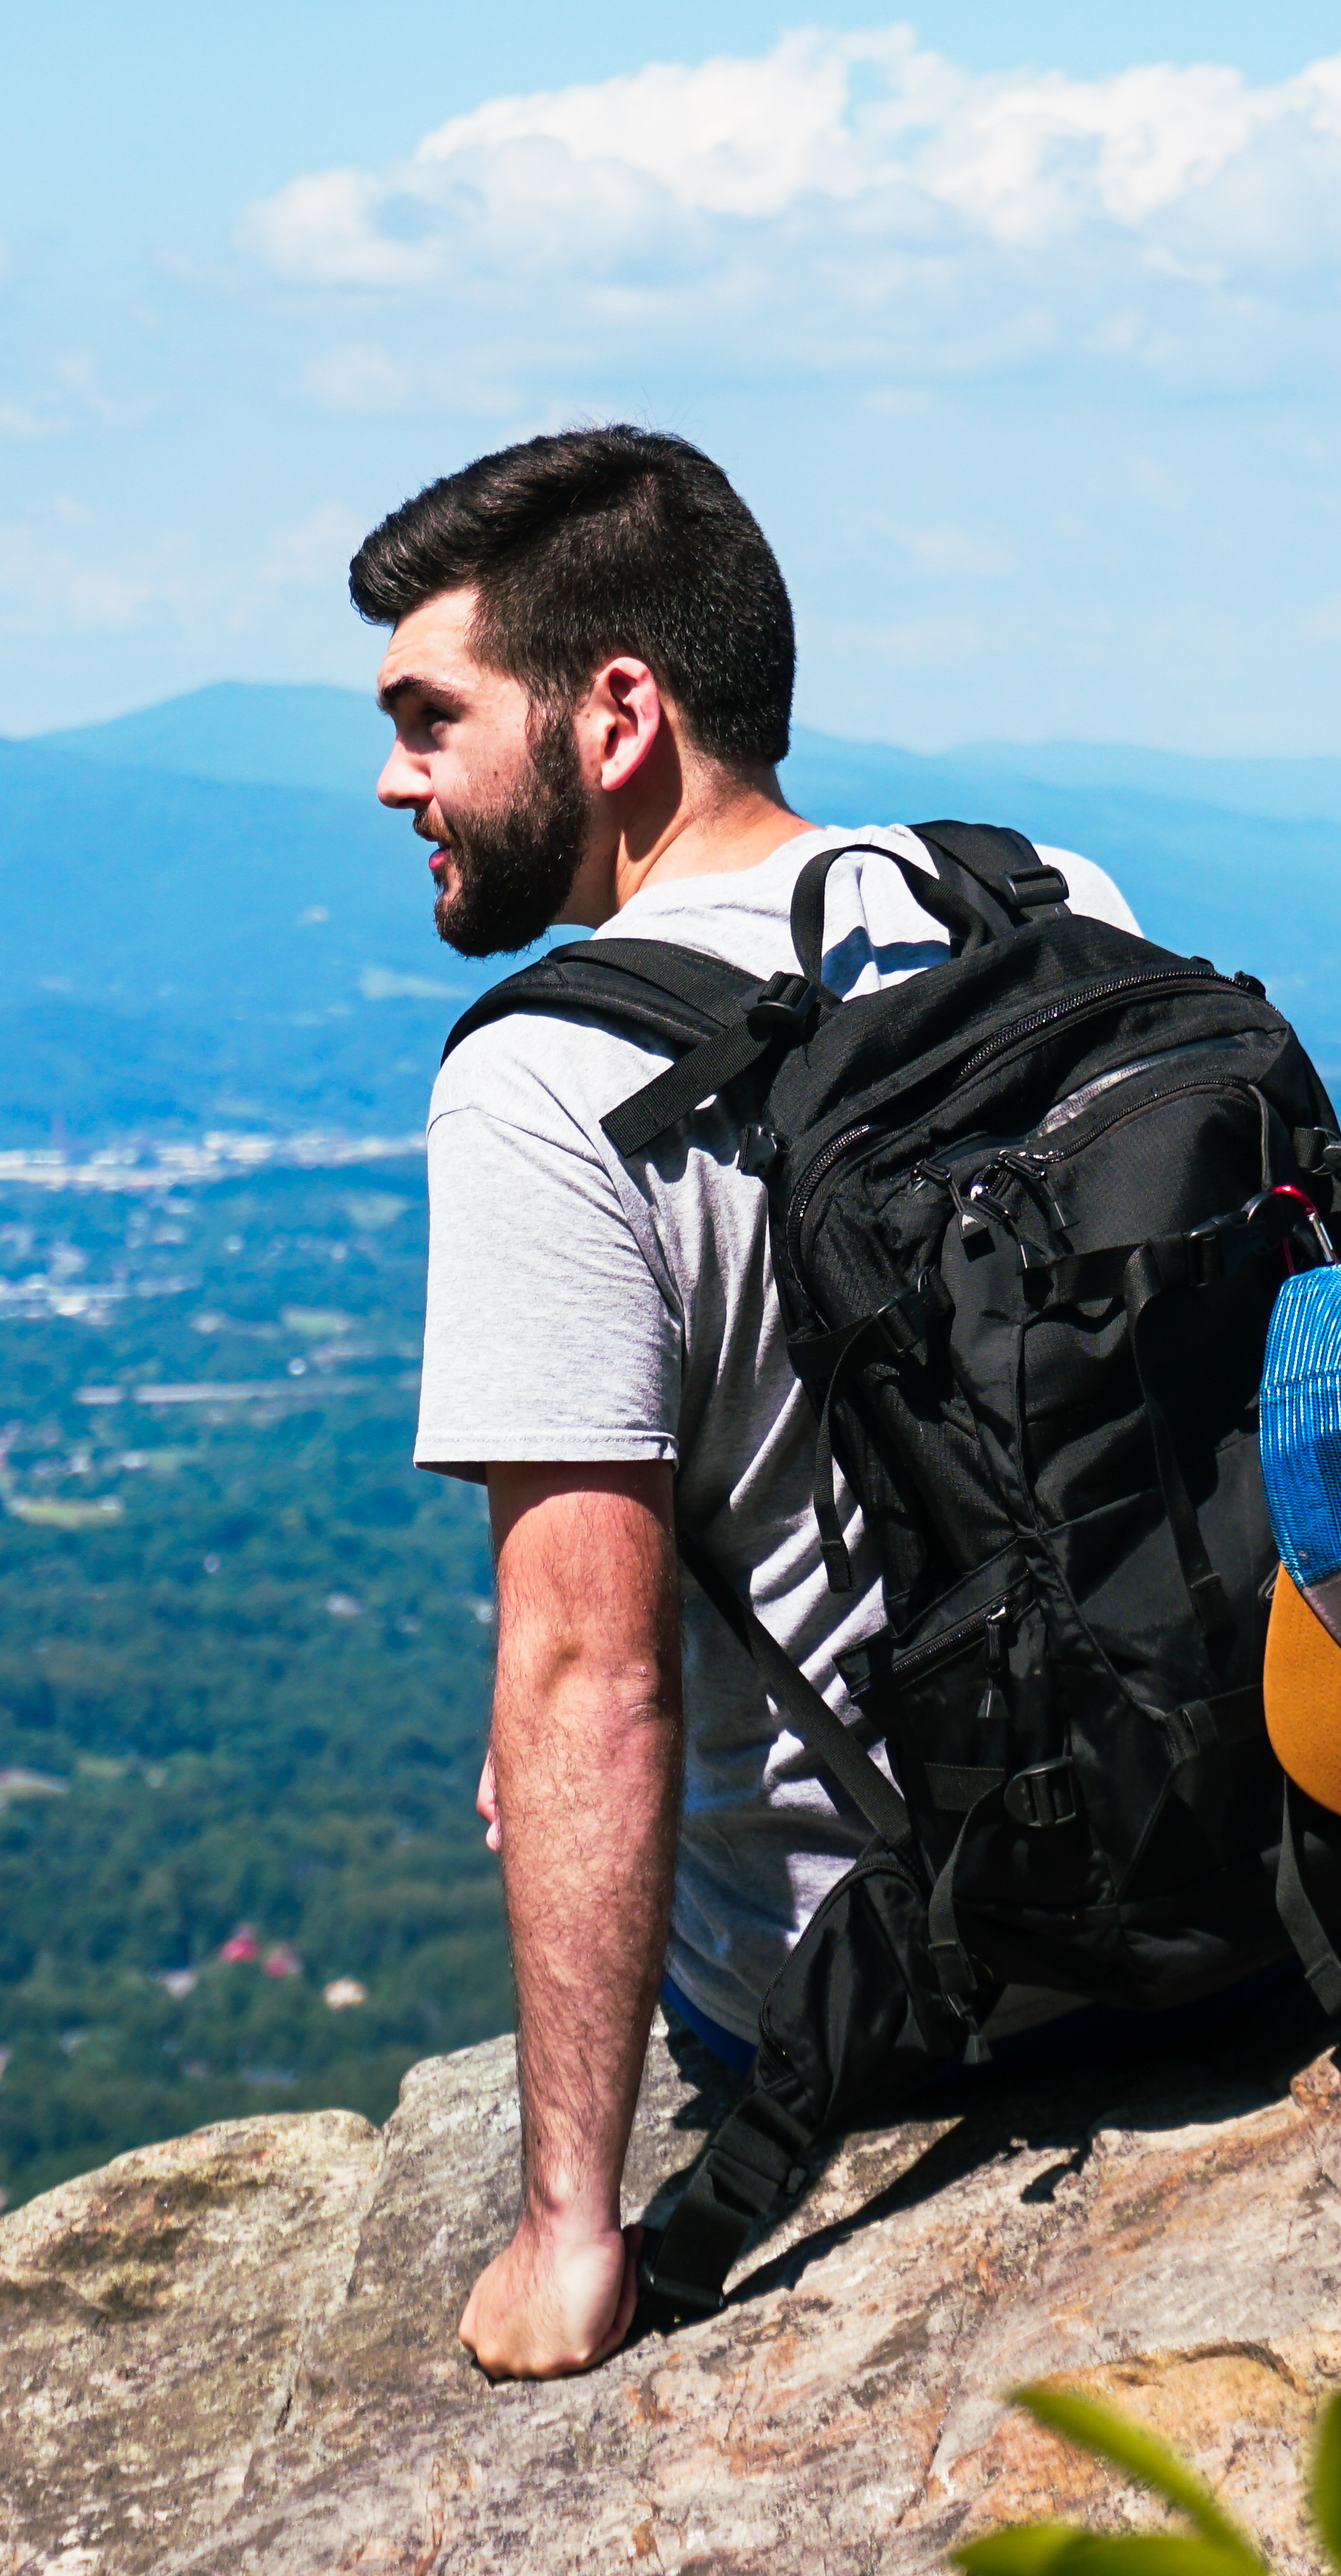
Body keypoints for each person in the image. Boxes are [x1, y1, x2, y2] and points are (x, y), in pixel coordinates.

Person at [359, 426, 1141, 2380]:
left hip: (871, 1997)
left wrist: (569, 2234)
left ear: (616, 711)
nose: (397, 781)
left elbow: (584, 1679)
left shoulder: (549, 1084)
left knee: (548, 1722)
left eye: (428, 717)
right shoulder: (1040, 903)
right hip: (1173, 1863)